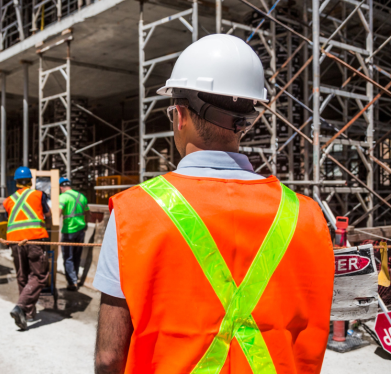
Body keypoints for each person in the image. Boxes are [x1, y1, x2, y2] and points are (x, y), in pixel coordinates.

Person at [93, 34, 334, 373]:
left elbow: (108, 357)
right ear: (245, 122)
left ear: (179, 116)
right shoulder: (307, 215)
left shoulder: (134, 213)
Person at [3, 166, 51, 330]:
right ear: (31, 181)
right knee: (40, 276)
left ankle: (28, 314)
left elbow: (9, 219)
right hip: (34, 239)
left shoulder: (8, 200)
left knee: (22, 276)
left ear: (16, 182)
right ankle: (21, 307)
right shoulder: (38, 195)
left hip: (15, 242)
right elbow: (48, 214)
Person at [59, 177, 90, 291]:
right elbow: (88, 213)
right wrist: (85, 225)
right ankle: (75, 279)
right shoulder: (81, 197)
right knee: (77, 257)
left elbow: (58, 211)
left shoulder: (63, 197)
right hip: (81, 231)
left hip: (68, 232)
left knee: (68, 257)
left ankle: (72, 283)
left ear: (61, 187)